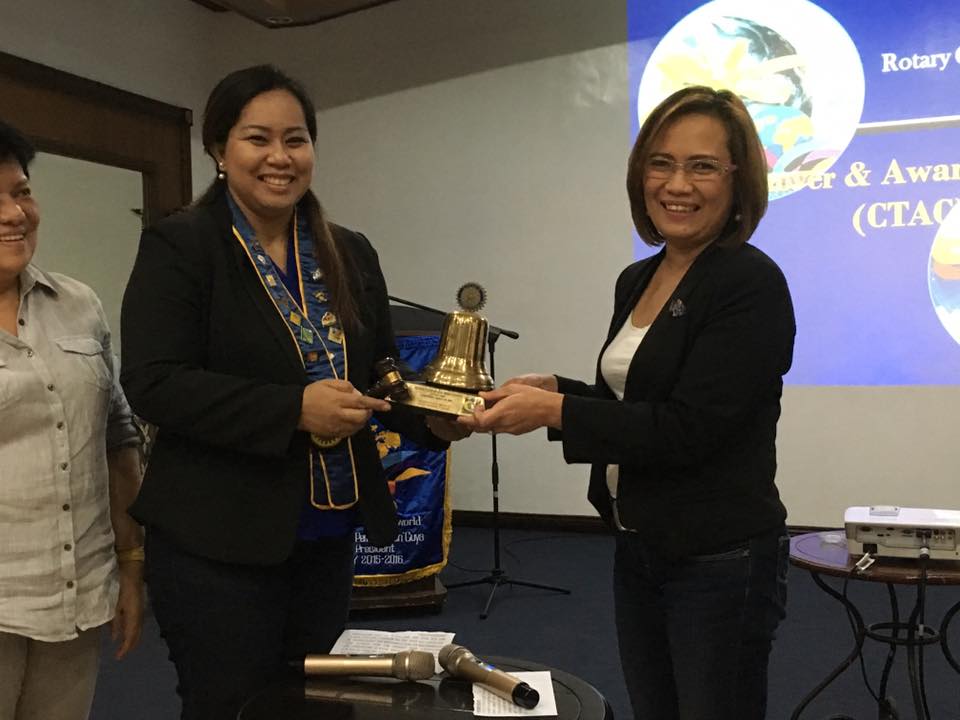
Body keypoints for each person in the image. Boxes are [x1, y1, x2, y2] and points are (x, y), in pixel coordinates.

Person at [119, 65, 465, 720]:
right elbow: (154, 382)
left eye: (296, 139)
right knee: (232, 706)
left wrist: (438, 419)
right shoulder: (181, 245)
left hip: (325, 537)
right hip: (216, 539)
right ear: (219, 150)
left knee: (316, 703)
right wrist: (293, 409)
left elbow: (382, 373)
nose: (280, 157)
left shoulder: (350, 251)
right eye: (258, 138)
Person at [461, 86, 796, 720]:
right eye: (661, 163)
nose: (677, 184)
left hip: (718, 558)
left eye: (702, 166)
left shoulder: (749, 282)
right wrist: (558, 391)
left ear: (738, 180)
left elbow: (690, 428)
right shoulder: (639, 277)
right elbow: (638, 401)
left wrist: (556, 414)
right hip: (639, 544)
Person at [0, 121, 144, 720]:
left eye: (22, 192)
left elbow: (117, 436)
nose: (14, 214)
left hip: (76, 592)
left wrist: (131, 564)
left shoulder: (79, 304)